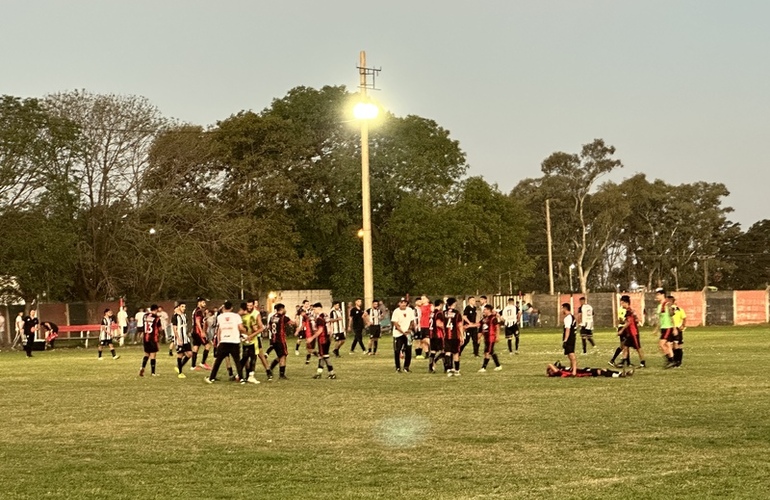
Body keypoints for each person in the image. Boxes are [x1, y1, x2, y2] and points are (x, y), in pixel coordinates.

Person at [206, 301, 245, 384]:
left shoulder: (220, 317)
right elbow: (241, 328)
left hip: (224, 341)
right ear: (231, 308)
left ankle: (212, 377)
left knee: (218, 361)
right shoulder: (236, 316)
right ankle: (241, 378)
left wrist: (219, 341)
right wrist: (245, 331)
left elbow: (219, 330)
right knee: (237, 361)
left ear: (224, 308)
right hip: (234, 341)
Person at [307, 302, 337, 379]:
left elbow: (320, 330)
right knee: (321, 356)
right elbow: (330, 327)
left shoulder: (319, 318)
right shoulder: (326, 315)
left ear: (318, 308)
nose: (313, 311)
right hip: (327, 338)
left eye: (314, 309)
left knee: (325, 356)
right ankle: (319, 373)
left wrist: (312, 338)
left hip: (322, 338)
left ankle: (332, 373)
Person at [267, 303, 294, 381]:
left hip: (273, 339)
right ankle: (281, 374)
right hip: (280, 340)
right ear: (282, 309)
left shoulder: (272, 317)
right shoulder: (283, 318)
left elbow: (269, 327)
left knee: (280, 355)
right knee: (283, 356)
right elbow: (293, 323)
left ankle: (271, 368)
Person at [618, 295, 646, 368]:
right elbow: (635, 320)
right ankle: (623, 362)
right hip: (629, 333)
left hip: (633, 333)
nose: (621, 304)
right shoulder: (629, 311)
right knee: (625, 347)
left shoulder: (629, 311)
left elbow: (629, 322)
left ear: (626, 303)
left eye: (622, 303)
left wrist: (622, 330)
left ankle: (643, 363)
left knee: (638, 348)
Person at [391, 297, 415, 373]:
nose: (403, 304)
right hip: (398, 334)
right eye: (402, 302)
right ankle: (398, 367)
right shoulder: (396, 311)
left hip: (407, 333)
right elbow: (396, 324)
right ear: (399, 303)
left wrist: (409, 329)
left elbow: (412, 321)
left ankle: (406, 367)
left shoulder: (410, 310)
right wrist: (403, 332)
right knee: (397, 351)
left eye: (405, 302)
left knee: (408, 350)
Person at [443, 298, 464, 377]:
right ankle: (457, 370)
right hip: (455, 336)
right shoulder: (457, 313)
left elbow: (441, 325)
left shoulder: (444, 313)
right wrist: (462, 335)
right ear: (454, 304)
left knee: (447, 352)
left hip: (446, 336)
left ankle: (449, 369)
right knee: (455, 353)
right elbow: (459, 325)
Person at [478, 304, 502, 372]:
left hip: (491, 337)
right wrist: (469, 325)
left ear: (489, 310)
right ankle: (498, 365)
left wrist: (497, 336)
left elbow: (497, 327)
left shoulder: (493, 318)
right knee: (489, 352)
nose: (484, 310)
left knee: (488, 352)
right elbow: (479, 324)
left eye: (485, 309)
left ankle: (483, 367)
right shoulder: (484, 318)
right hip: (486, 337)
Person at [655, 289, 676, 368]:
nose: (656, 297)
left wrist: (674, 328)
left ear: (662, 295)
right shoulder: (659, 306)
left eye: (658, 295)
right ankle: (672, 361)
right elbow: (660, 319)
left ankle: (670, 360)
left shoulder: (667, 304)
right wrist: (656, 329)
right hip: (663, 328)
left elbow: (672, 316)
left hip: (668, 327)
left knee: (661, 344)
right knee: (667, 345)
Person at [139, 305, 162, 377]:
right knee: (153, 355)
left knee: (146, 354)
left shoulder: (145, 316)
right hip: (153, 338)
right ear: (156, 310)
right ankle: (153, 373)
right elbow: (160, 328)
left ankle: (142, 367)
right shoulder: (157, 318)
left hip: (146, 338)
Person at [191, 298, 212, 371]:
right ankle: (203, 362)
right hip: (198, 332)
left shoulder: (195, 310)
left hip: (194, 331)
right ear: (199, 303)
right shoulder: (199, 311)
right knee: (208, 345)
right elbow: (197, 321)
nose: (204, 304)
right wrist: (202, 331)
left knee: (196, 347)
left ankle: (193, 366)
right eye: (203, 302)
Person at [172, 302, 192, 378]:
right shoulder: (175, 316)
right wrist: (178, 338)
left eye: (184, 306)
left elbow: (185, 326)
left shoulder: (184, 315)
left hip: (186, 338)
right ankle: (180, 373)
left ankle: (178, 366)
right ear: (178, 307)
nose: (184, 308)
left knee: (190, 354)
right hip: (179, 338)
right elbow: (175, 328)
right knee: (180, 355)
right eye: (182, 306)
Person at [546, 361, 632, 378]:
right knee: (600, 372)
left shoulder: (561, 369)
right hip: (582, 374)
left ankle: (621, 373)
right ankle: (620, 375)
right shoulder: (558, 373)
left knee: (603, 369)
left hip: (583, 370)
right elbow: (551, 366)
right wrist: (549, 368)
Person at [428, 299, 446, 373]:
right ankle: (438, 362)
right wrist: (446, 327)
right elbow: (438, 324)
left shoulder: (432, 313)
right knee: (444, 351)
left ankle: (430, 368)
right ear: (441, 304)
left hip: (432, 334)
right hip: (438, 335)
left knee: (433, 351)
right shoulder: (439, 313)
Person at [669, 295, 686, 367]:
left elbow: (684, 318)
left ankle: (678, 361)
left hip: (677, 329)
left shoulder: (679, 310)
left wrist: (683, 326)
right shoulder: (667, 310)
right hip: (669, 328)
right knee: (671, 345)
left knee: (677, 345)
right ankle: (675, 361)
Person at [561, 303, 577, 376]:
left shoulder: (567, 318)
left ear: (565, 308)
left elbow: (568, 329)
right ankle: (572, 368)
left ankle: (574, 371)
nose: (562, 310)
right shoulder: (572, 317)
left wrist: (565, 340)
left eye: (562, 308)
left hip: (569, 338)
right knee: (569, 354)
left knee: (571, 354)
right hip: (572, 337)